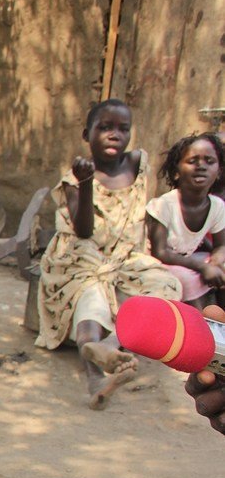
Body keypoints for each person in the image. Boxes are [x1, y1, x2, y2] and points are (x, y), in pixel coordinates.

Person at [36, 99, 181, 411]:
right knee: (90, 294)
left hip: (125, 255)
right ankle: (95, 373)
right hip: (81, 253)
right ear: (87, 135)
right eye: (105, 128)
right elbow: (84, 230)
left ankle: (107, 346)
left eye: (122, 128)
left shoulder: (140, 164)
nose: (115, 134)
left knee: (165, 286)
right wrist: (87, 184)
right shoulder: (75, 178)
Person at [146, 133, 225, 309]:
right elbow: (160, 252)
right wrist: (202, 267)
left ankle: (220, 328)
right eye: (192, 161)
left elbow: (221, 245)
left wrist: (216, 262)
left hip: (187, 258)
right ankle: (197, 328)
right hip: (158, 263)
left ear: (219, 171)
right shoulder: (164, 205)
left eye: (209, 161)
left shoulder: (217, 206)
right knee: (188, 280)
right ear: (175, 172)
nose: (201, 166)